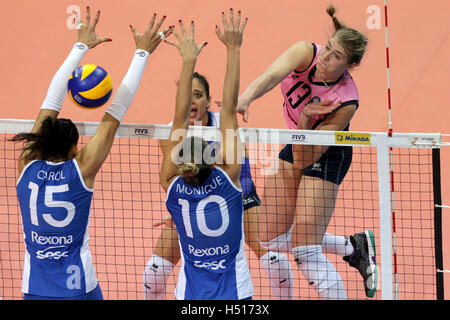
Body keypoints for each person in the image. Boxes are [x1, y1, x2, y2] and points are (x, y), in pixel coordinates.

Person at [11, 7, 172, 300]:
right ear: (75, 148)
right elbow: (116, 111)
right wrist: (142, 52)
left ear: (41, 140)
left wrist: (80, 45)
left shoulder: (27, 165)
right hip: (80, 290)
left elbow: (52, 98)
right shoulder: (80, 171)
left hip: (34, 291)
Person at [235, 5, 377, 299]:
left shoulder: (345, 100)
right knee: (269, 238)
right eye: (328, 48)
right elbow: (272, 75)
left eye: (336, 56)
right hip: (296, 138)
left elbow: (304, 158)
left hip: (326, 154)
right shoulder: (305, 52)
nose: (325, 57)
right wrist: (246, 97)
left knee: (304, 249)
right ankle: (353, 246)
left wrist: (307, 118)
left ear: (349, 66)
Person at [144, 71, 294, 300]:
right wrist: (179, 214)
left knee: (276, 263)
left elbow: (241, 175)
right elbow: (177, 180)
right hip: (194, 208)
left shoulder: (222, 128)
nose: (192, 101)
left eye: (198, 95)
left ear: (207, 99)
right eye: (188, 95)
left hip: (240, 200)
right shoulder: (170, 133)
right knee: (153, 272)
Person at [159, 10, 253, 300]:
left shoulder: (171, 186)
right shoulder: (229, 179)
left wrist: (187, 61)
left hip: (190, 296)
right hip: (237, 295)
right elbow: (227, 111)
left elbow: (178, 121)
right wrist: (234, 49)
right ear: (212, 159)